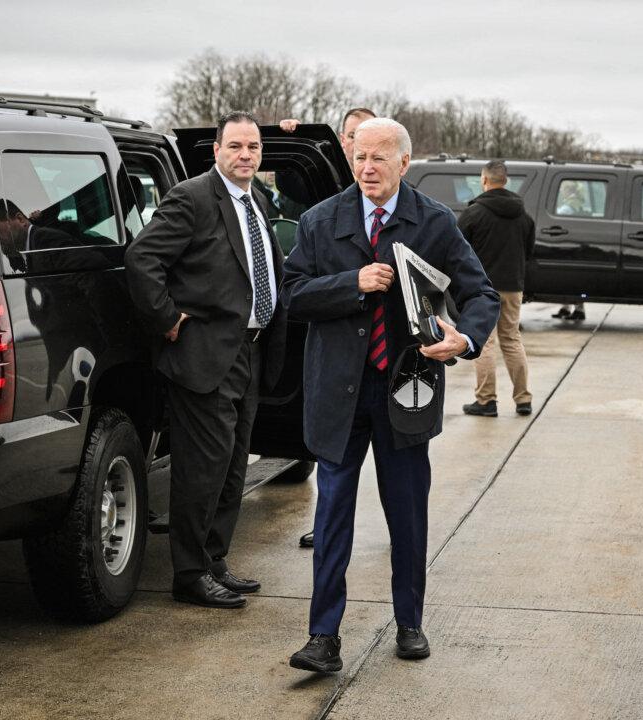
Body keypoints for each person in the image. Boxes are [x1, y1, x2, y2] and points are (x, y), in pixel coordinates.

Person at [282, 118, 498, 672]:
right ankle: (323, 636)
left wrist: (464, 338)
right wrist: (349, 284)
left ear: (405, 163)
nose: (367, 168)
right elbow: (292, 295)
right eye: (359, 156)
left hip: (406, 389)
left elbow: (480, 293)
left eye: (380, 158)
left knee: (407, 514)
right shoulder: (319, 221)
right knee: (332, 516)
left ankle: (409, 623)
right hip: (339, 393)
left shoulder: (434, 222)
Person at [125, 111, 287, 609]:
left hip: (250, 352)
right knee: (202, 470)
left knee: (234, 465)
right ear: (216, 150)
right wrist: (168, 320)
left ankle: (215, 561)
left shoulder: (257, 199)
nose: (245, 155)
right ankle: (189, 574)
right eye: (236, 146)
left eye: (253, 148)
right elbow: (142, 259)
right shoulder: (192, 197)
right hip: (203, 357)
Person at [282, 107, 377, 550]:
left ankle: (404, 529)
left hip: (381, 355)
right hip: (335, 338)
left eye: (368, 137)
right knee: (334, 453)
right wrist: (286, 137)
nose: (363, 152)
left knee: (399, 470)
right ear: (342, 140)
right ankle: (330, 526)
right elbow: (289, 186)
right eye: (353, 138)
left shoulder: (389, 190)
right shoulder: (326, 193)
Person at [459, 159, 535, 417]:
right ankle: (523, 399)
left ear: (484, 180)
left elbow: (459, 251)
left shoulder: (473, 214)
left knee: (486, 343)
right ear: (506, 181)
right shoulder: (524, 216)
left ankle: (486, 401)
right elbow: (529, 252)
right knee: (512, 339)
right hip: (514, 285)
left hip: (484, 289)